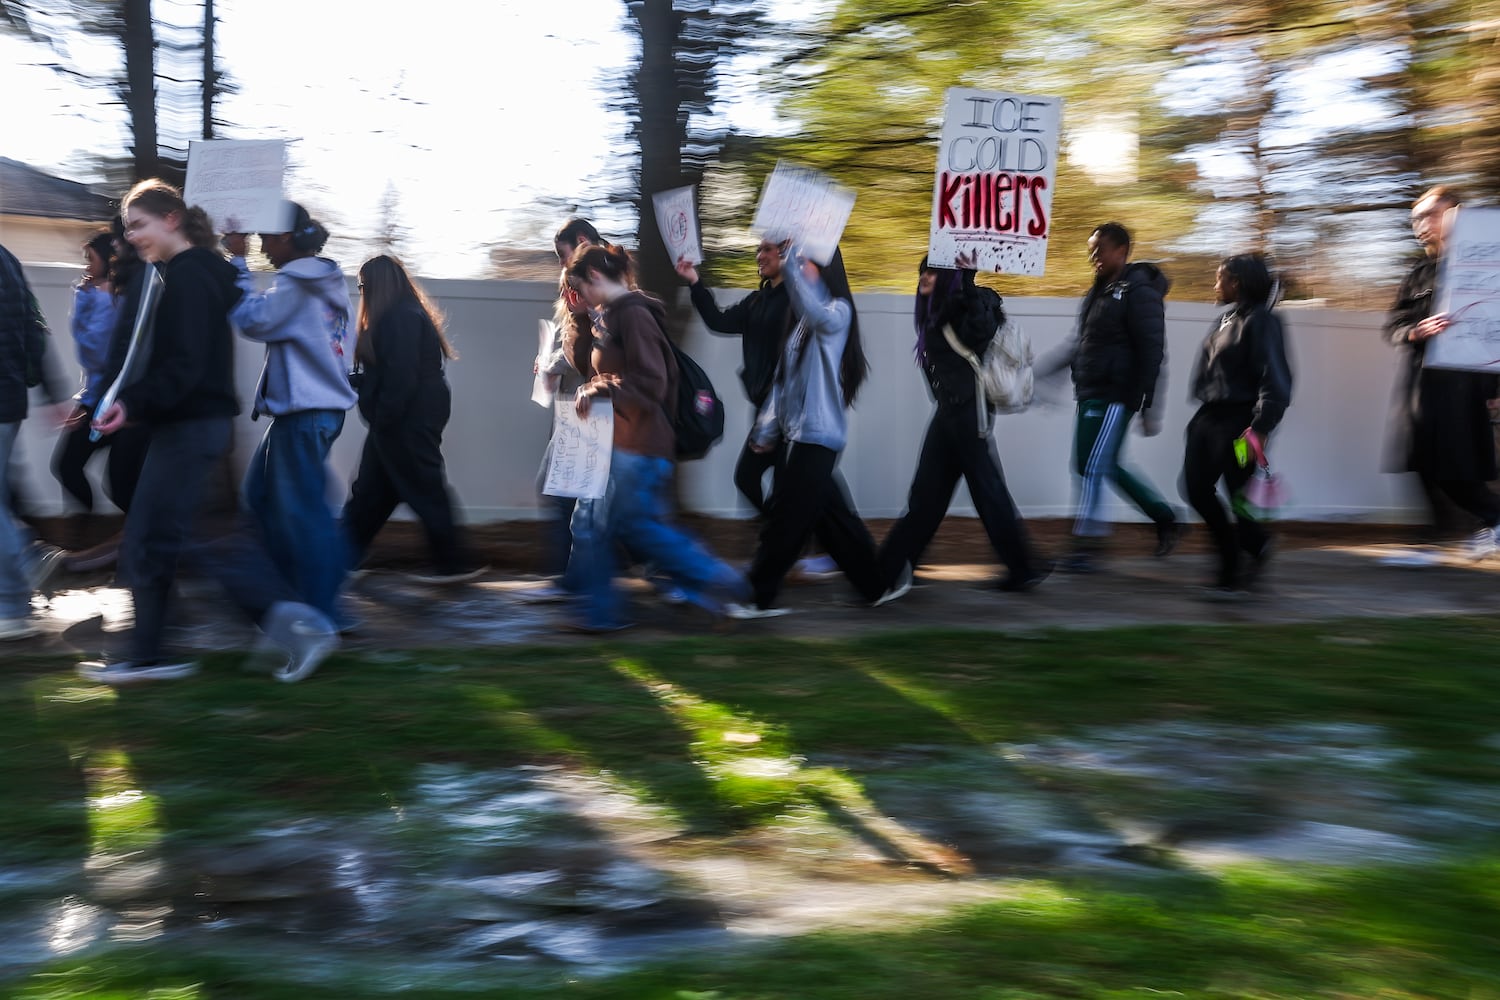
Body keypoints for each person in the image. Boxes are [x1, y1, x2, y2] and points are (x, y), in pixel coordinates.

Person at [77, 179, 339, 684]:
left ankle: (291, 629)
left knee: (188, 540)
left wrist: (133, 402)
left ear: (171, 220)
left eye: (138, 225)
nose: (130, 237)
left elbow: (186, 364)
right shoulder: (183, 273)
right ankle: (152, 654)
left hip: (192, 426)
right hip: (191, 425)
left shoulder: (191, 276)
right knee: (184, 539)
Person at [563, 242, 746, 630]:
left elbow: (650, 384)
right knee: (609, 526)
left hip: (642, 445)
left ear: (595, 276)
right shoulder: (615, 315)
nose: (581, 297)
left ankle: (720, 581)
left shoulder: (633, 314)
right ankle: (604, 612)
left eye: (583, 288)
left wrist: (600, 389)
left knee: (626, 527)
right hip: (626, 443)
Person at [736, 244, 896, 617]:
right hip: (799, 435)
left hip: (819, 436)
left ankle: (758, 597)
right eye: (797, 261)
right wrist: (765, 431)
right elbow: (783, 383)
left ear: (824, 269)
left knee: (785, 520)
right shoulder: (802, 322)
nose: (797, 267)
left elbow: (815, 308)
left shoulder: (837, 313)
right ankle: (875, 586)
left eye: (805, 261)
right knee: (835, 522)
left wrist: (789, 262)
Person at [877, 257, 1046, 593]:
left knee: (985, 492)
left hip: (969, 414)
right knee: (930, 496)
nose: (924, 276)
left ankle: (1023, 567)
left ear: (948, 277)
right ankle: (896, 566)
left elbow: (980, 332)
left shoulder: (964, 306)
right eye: (922, 269)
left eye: (933, 271)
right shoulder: (932, 310)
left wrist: (966, 278)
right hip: (951, 413)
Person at [225, 202, 358, 627]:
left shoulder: (298, 283)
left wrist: (237, 259)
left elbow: (252, 320)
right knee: (263, 499)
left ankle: (322, 613)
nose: (262, 245)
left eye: (265, 237)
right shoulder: (318, 279)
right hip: (310, 412)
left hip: (305, 412)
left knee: (304, 514)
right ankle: (292, 598)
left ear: (285, 238)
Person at [1042, 221, 1180, 572]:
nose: (1093, 257)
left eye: (1099, 249)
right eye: (1091, 250)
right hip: (1091, 391)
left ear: (1122, 250)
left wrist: (1150, 405)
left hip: (1116, 394)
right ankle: (1164, 517)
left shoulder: (1138, 291)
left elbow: (1152, 350)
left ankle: (1087, 546)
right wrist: (1046, 373)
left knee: (1090, 466)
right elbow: (1082, 343)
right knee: (1102, 465)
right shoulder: (1098, 292)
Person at [343, 254, 483, 583]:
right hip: (404, 418)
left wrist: (381, 417)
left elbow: (400, 379)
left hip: (406, 421)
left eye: (362, 285)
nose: (361, 292)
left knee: (423, 492)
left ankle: (454, 565)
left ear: (377, 285)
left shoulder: (399, 318)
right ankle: (340, 559)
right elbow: (393, 374)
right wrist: (361, 384)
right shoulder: (404, 314)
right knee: (371, 494)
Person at [1382, 185, 1500, 562]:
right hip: (1420, 384)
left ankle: (1490, 521)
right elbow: (1393, 326)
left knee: (1457, 466)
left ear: (1456, 215)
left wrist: (1495, 386)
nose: (1421, 224)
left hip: (1464, 386)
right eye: (1416, 218)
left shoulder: (1487, 267)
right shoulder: (1418, 274)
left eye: (1430, 214)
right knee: (1419, 460)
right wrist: (1415, 331)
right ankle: (1439, 537)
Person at [1182, 253, 1293, 597]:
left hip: (1243, 424)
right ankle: (1251, 547)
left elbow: (1275, 379)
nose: (1216, 284)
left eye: (1221, 278)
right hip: (1209, 419)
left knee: (1239, 495)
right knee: (1196, 489)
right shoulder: (1225, 318)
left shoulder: (1263, 322)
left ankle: (1236, 564)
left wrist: (1260, 426)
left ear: (1237, 283)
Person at [0, 241, 69, 640]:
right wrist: (53, 390)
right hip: (9, 399)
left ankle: (13, 600)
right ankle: (29, 559)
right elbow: (34, 325)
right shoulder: (7, 258)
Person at [49, 231, 120, 543]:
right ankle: (85, 533)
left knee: (70, 466)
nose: (86, 266)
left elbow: (93, 349)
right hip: (94, 397)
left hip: (107, 401)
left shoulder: (114, 298)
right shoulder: (99, 294)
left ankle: (86, 536)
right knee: (68, 466)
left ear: (108, 261)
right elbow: (83, 339)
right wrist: (85, 297)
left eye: (91, 258)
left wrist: (92, 299)